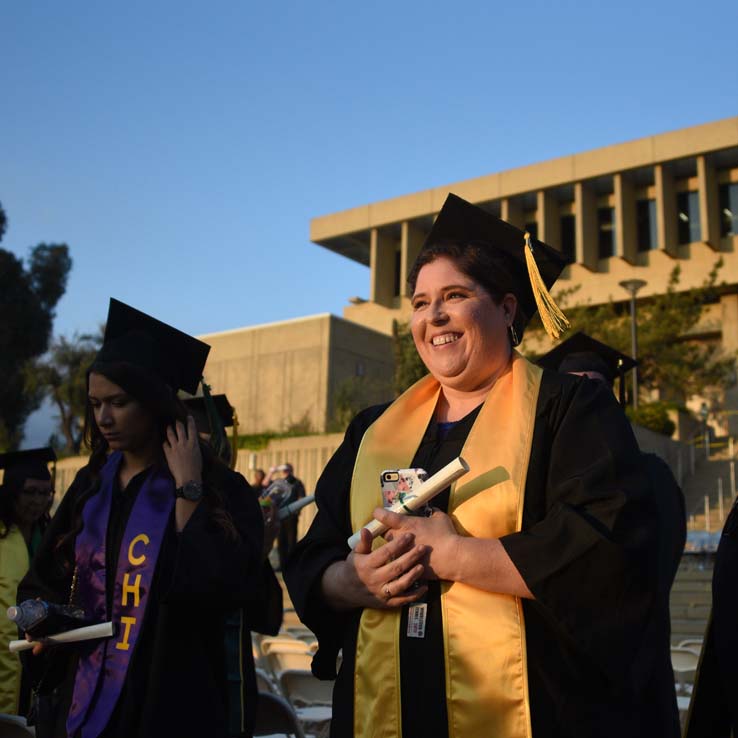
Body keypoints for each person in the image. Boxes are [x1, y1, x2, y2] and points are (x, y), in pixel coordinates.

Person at [285, 193, 664, 738]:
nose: (432, 316)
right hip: (382, 707)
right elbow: (315, 554)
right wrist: (353, 580)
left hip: (533, 708)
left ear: (508, 309)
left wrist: (458, 555)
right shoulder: (373, 430)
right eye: (419, 303)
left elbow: (608, 549)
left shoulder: (568, 409)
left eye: (455, 295)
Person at [17, 298, 268, 738]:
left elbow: (232, 587)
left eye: (119, 403)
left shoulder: (216, 486)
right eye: (95, 405)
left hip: (171, 699)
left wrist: (187, 490)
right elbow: (43, 580)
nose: (104, 418)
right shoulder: (90, 485)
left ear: (153, 403)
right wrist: (44, 621)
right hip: (87, 691)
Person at [538, 331, 686, 738]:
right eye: (575, 388)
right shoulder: (546, 480)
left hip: (633, 677)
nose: (586, 399)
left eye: (596, 387)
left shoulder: (652, 475)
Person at [0, 447, 56, 715]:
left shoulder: (51, 538)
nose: (39, 501)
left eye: (46, 493)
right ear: (11, 492)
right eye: (31, 492)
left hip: (34, 656)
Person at [265, 463, 305, 570]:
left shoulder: (296, 483)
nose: (285, 472)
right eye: (284, 470)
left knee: (291, 541)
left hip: (291, 516)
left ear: (291, 470)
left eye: (287, 470)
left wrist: (297, 510)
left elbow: (301, 496)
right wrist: (272, 472)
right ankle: (282, 565)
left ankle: (292, 565)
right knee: (280, 541)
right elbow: (265, 485)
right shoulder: (278, 483)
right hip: (279, 515)